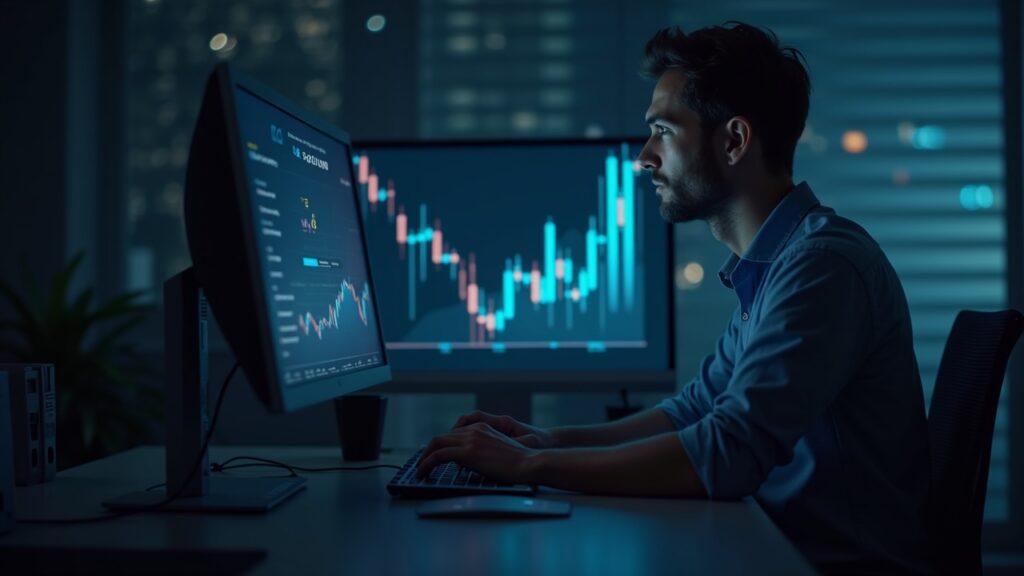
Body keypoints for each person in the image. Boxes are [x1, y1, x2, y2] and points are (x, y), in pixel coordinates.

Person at [418, 22, 931, 575]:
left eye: (663, 130)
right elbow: (693, 412)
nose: (644, 157)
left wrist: (532, 465)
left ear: (734, 140)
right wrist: (548, 440)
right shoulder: (776, 264)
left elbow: (727, 454)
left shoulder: (821, 267)